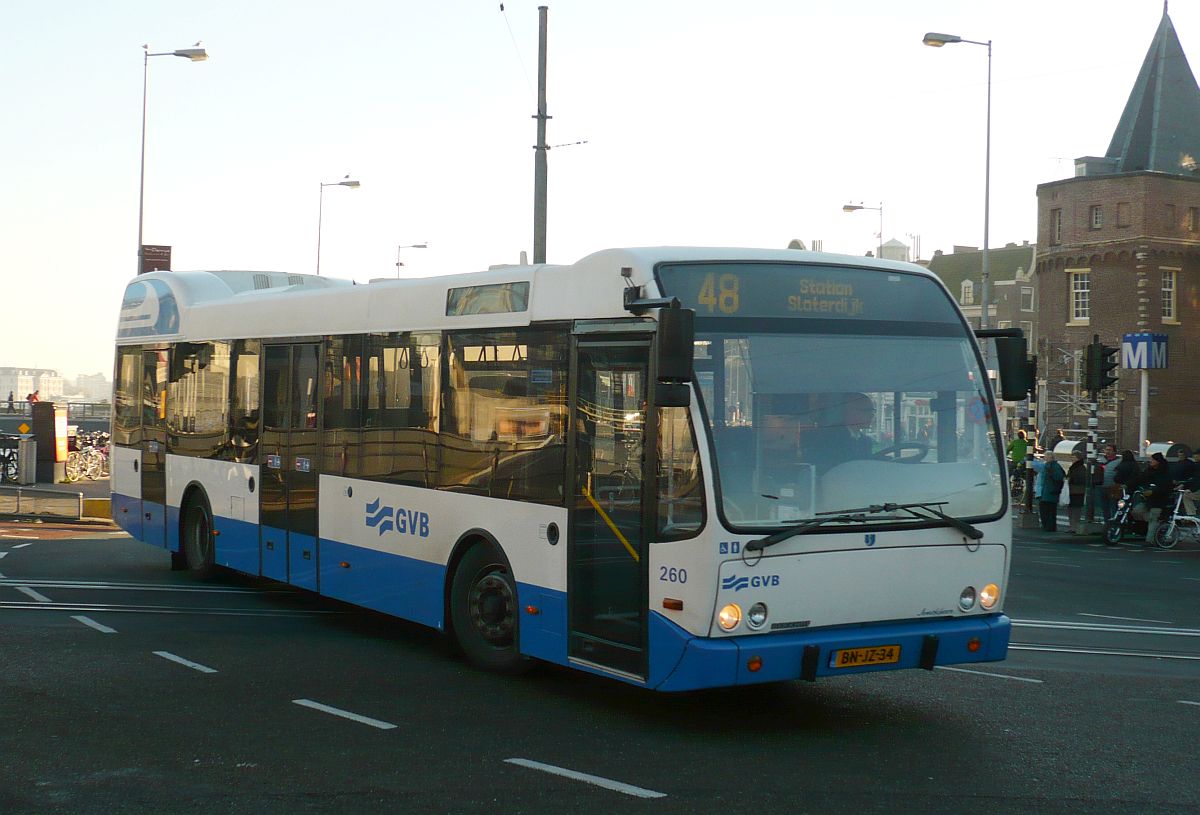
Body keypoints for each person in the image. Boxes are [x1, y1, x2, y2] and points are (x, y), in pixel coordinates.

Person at [1137, 452, 1174, 544]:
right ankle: (1154, 528)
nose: (1151, 461)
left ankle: (1149, 540)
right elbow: (1139, 479)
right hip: (1148, 500)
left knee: (1153, 516)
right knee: (1136, 511)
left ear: (1158, 462)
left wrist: (1153, 491)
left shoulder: (1165, 474)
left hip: (1160, 501)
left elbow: (1165, 488)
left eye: (1153, 459)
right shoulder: (1148, 471)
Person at [1037, 451, 1066, 532]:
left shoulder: (1052, 466)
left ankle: (1048, 526)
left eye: (1045, 456)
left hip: (1049, 491)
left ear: (1050, 457)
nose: (1044, 457)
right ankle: (1049, 526)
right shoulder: (1052, 465)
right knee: (1049, 510)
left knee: (1047, 510)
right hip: (1049, 491)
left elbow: (1058, 478)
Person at [1066, 450, 1088, 532]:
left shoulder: (1080, 468)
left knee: (1075, 509)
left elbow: (1081, 479)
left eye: (1074, 457)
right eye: (1072, 457)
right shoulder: (1075, 467)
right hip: (1073, 490)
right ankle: (1072, 526)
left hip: (1077, 491)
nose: (1072, 459)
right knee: (1072, 509)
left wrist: (1071, 479)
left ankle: (1074, 526)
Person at [1096, 444, 1119, 522]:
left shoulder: (1118, 462)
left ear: (1114, 451)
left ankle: (1114, 524)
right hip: (1102, 486)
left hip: (1113, 487)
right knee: (1104, 507)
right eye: (1106, 450)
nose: (1107, 452)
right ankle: (1107, 523)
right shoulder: (1100, 460)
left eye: (1110, 450)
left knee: (1114, 506)